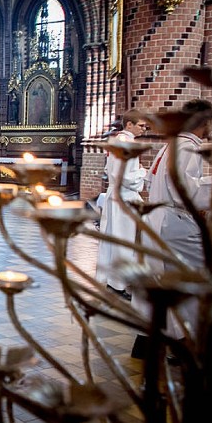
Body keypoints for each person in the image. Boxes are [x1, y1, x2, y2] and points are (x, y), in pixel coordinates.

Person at [132, 100, 212, 357]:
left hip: (160, 219)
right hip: (177, 223)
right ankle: (196, 340)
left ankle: (155, 341)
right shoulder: (189, 148)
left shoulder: (170, 145)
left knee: (165, 278)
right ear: (202, 122)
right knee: (211, 272)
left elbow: (150, 181)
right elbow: (188, 194)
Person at [95, 109, 148, 301]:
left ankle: (112, 280)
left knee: (114, 239)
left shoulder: (116, 140)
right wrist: (143, 172)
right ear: (129, 125)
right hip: (125, 198)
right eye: (141, 125)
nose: (145, 129)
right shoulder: (128, 144)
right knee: (125, 241)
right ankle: (120, 284)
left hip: (115, 197)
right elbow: (126, 177)